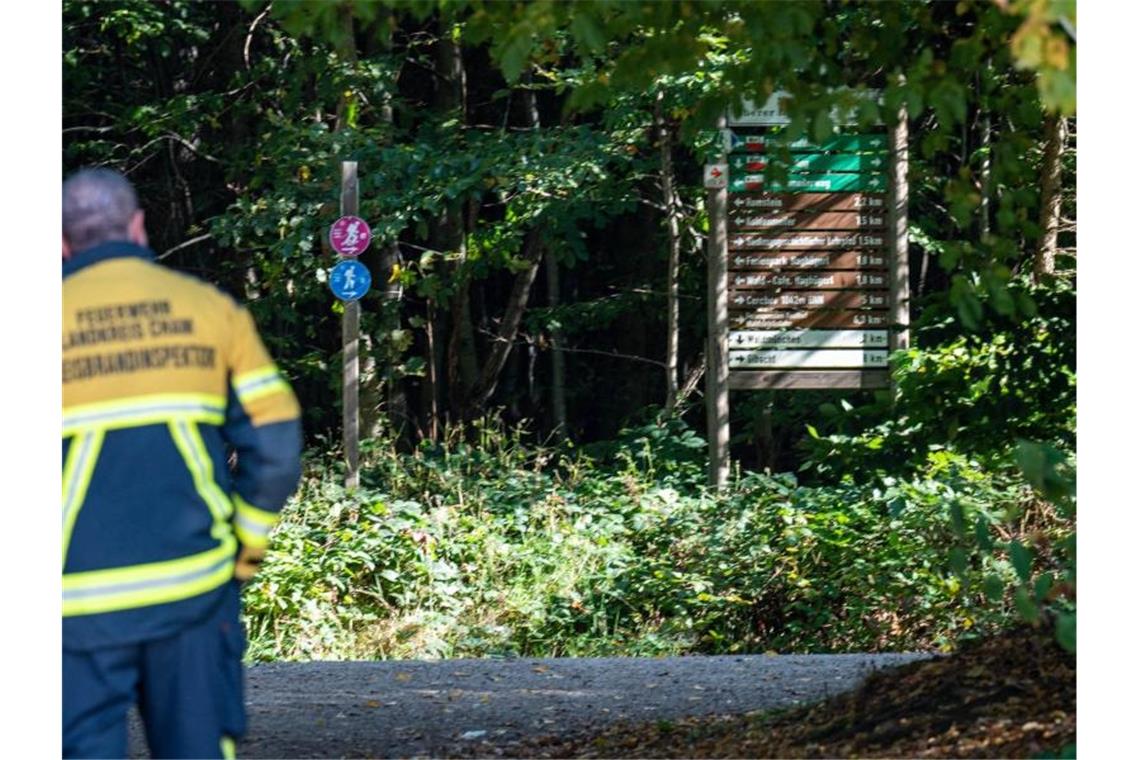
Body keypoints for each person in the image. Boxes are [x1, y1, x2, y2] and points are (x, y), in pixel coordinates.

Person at [62, 168, 303, 759]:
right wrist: (241, 553)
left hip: (68, 608)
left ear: (60, 242)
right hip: (193, 591)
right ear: (140, 227)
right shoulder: (211, 311)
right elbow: (275, 450)